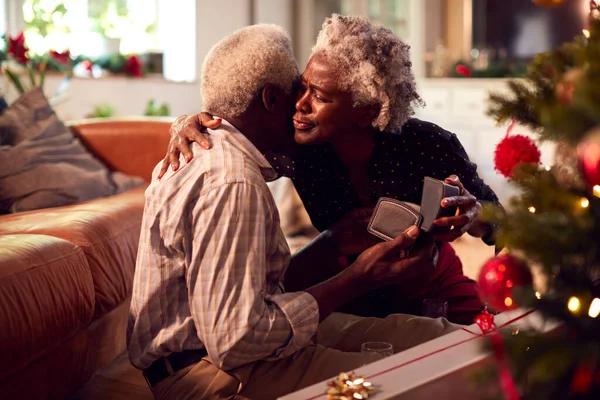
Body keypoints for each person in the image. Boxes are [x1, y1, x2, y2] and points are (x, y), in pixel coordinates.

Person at [128, 24, 459, 400]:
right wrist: (356, 278)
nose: (302, 104)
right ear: (272, 98)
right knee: (412, 378)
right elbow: (235, 341)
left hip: (233, 349)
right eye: (298, 89)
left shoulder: (211, 151)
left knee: (433, 339)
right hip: (212, 375)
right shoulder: (233, 180)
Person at [160, 15, 502, 325]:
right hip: (347, 291)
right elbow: (237, 135)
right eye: (302, 87)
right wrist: (188, 122)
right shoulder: (299, 149)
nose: (299, 104)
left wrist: (473, 215)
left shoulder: (428, 144)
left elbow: (502, 227)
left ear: (367, 111)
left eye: (320, 96)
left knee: (490, 351)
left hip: (430, 284)